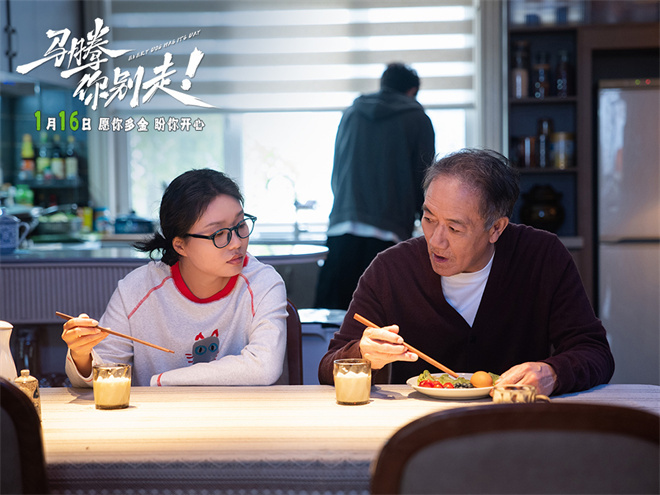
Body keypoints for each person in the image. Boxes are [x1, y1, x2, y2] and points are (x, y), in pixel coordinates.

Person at [318, 149, 614, 396]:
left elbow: (595, 352)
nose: (436, 241)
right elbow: (327, 366)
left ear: (496, 229)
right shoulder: (391, 269)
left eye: (454, 228)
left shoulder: (542, 256)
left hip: (515, 422)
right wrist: (362, 354)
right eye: (429, 219)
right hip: (417, 429)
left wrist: (553, 373)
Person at [62, 169, 287, 387]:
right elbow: (101, 374)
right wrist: (81, 355)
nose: (237, 243)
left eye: (240, 225)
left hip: (240, 411)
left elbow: (264, 366)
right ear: (180, 245)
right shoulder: (136, 290)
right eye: (219, 234)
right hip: (156, 413)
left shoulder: (263, 283)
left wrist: (163, 380)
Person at [314, 62, 436, 310]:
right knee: (380, 317)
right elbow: (423, 178)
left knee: (333, 317)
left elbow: (338, 170)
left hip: (343, 226)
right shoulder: (417, 118)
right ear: (412, 91)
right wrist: (422, 216)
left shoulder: (352, 113)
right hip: (388, 230)